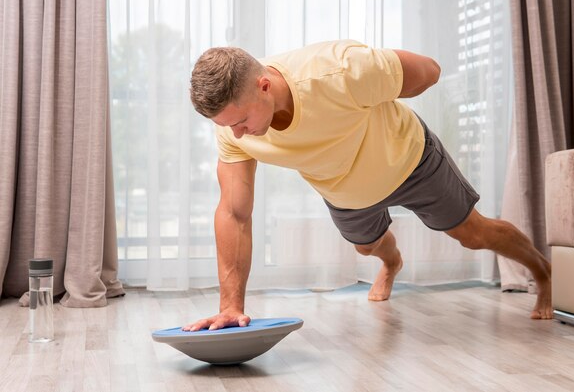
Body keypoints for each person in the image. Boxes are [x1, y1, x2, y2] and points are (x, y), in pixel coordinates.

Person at [183, 40, 552, 332]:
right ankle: (392, 263)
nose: (237, 134)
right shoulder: (233, 130)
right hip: (346, 190)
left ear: (264, 86)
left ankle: (541, 271)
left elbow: (429, 71)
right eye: (228, 125)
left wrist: (383, 81)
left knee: (472, 233)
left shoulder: (339, 70)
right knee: (366, 247)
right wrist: (231, 307)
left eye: (242, 121)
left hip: (410, 160)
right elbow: (234, 212)